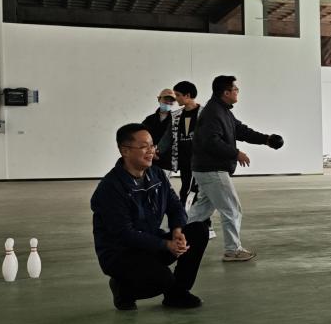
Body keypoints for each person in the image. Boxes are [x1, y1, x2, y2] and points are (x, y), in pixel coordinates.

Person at [91, 123, 208, 310]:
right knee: (162, 279)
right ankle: (123, 289)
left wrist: (177, 231)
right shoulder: (110, 188)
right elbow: (124, 234)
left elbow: (175, 206)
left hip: (150, 243)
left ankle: (176, 294)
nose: (151, 151)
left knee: (198, 230)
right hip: (121, 254)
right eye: (144, 146)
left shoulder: (156, 174)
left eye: (152, 145)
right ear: (125, 151)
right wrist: (166, 245)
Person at [188, 75, 284, 262]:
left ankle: (181, 239)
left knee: (201, 211)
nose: (237, 92)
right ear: (226, 92)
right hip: (212, 169)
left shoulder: (222, 110)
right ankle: (232, 250)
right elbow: (211, 142)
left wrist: (266, 139)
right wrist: (236, 153)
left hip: (206, 169)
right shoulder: (213, 112)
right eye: (235, 89)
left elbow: (240, 130)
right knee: (232, 209)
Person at [157, 80, 202, 204]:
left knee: (192, 190)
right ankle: (187, 213)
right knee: (187, 187)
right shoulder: (176, 115)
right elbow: (168, 136)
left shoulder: (205, 113)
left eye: (177, 95)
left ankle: (187, 213)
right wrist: (157, 150)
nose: (175, 99)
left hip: (200, 160)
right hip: (183, 160)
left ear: (187, 95)